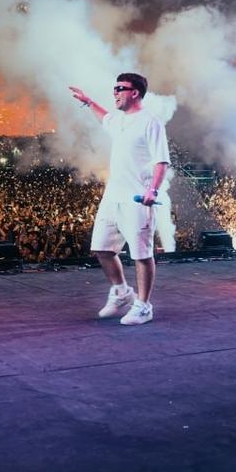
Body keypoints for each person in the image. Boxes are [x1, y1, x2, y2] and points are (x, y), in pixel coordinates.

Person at [69, 73, 170, 325]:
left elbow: (161, 160)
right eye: (114, 88)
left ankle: (144, 306)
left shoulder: (150, 122)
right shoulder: (120, 121)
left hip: (137, 200)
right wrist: (88, 101)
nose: (114, 93)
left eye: (119, 88)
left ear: (134, 92)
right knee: (102, 248)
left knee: (141, 254)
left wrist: (153, 190)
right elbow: (105, 118)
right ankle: (122, 292)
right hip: (112, 197)